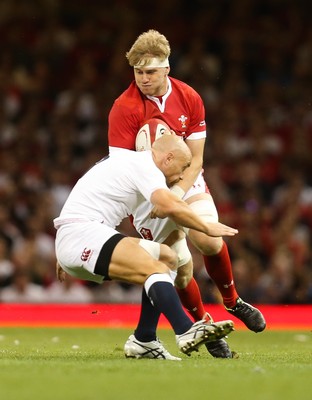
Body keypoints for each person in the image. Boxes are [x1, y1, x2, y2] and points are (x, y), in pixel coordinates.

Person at [108, 29, 266, 359]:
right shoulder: (124, 108)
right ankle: (204, 325)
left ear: (167, 68)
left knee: (208, 239)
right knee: (179, 269)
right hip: (146, 194)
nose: (143, 78)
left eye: (150, 71)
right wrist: (159, 199)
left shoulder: (189, 97)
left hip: (185, 180)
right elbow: (122, 170)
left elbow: (196, 160)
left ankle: (232, 300)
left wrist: (177, 193)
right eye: (138, 72)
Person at [54, 135, 237, 359]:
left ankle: (144, 338)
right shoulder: (144, 164)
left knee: (167, 258)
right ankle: (185, 330)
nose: (181, 177)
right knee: (155, 269)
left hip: (81, 237)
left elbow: (85, 194)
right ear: (168, 158)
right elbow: (168, 204)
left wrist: (66, 248)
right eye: (182, 169)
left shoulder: (127, 163)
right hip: (82, 236)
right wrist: (205, 227)